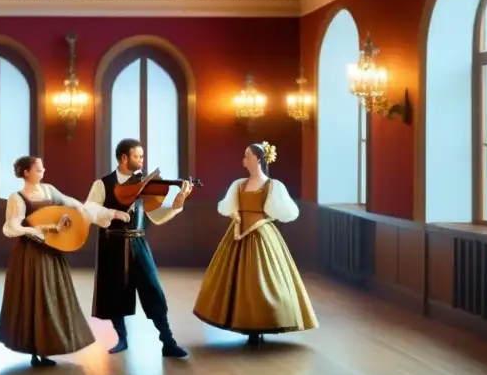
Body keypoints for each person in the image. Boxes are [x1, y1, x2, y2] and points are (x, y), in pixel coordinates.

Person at [193, 142, 318, 346]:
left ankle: (263, 321)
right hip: (237, 234)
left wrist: (263, 216)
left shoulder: (272, 185)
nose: (243, 160)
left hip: (261, 234)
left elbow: (288, 212)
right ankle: (241, 319)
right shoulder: (239, 184)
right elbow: (227, 206)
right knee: (236, 279)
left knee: (261, 277)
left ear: (257, 159)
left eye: (247, 156)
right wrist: (235, 213)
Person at [84, 138, 192, 358]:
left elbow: (155, 216)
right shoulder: (103, 184)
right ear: (124, 158)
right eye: (137, 156)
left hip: (139, 243)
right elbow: (89, 210)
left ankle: (168, 341)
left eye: (142, 156)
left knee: (153, 289)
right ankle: (122, 339)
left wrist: (176, 206)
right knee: (114, 293)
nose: (142, 160)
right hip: (112, 243)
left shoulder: (146, 184)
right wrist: (112, 213)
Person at [0, 156, 97, 367]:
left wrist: (82, 213)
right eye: (39, 169)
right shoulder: (17, 197)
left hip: (52, 251)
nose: (43, 171)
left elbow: (70, 203)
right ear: (26, 173)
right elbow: (12, 226)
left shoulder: (49, 190)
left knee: (53, 295)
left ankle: (49, 346)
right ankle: (35, 348)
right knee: (35, 297)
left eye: (43, 168)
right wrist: (39, 230)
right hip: (30, 254)